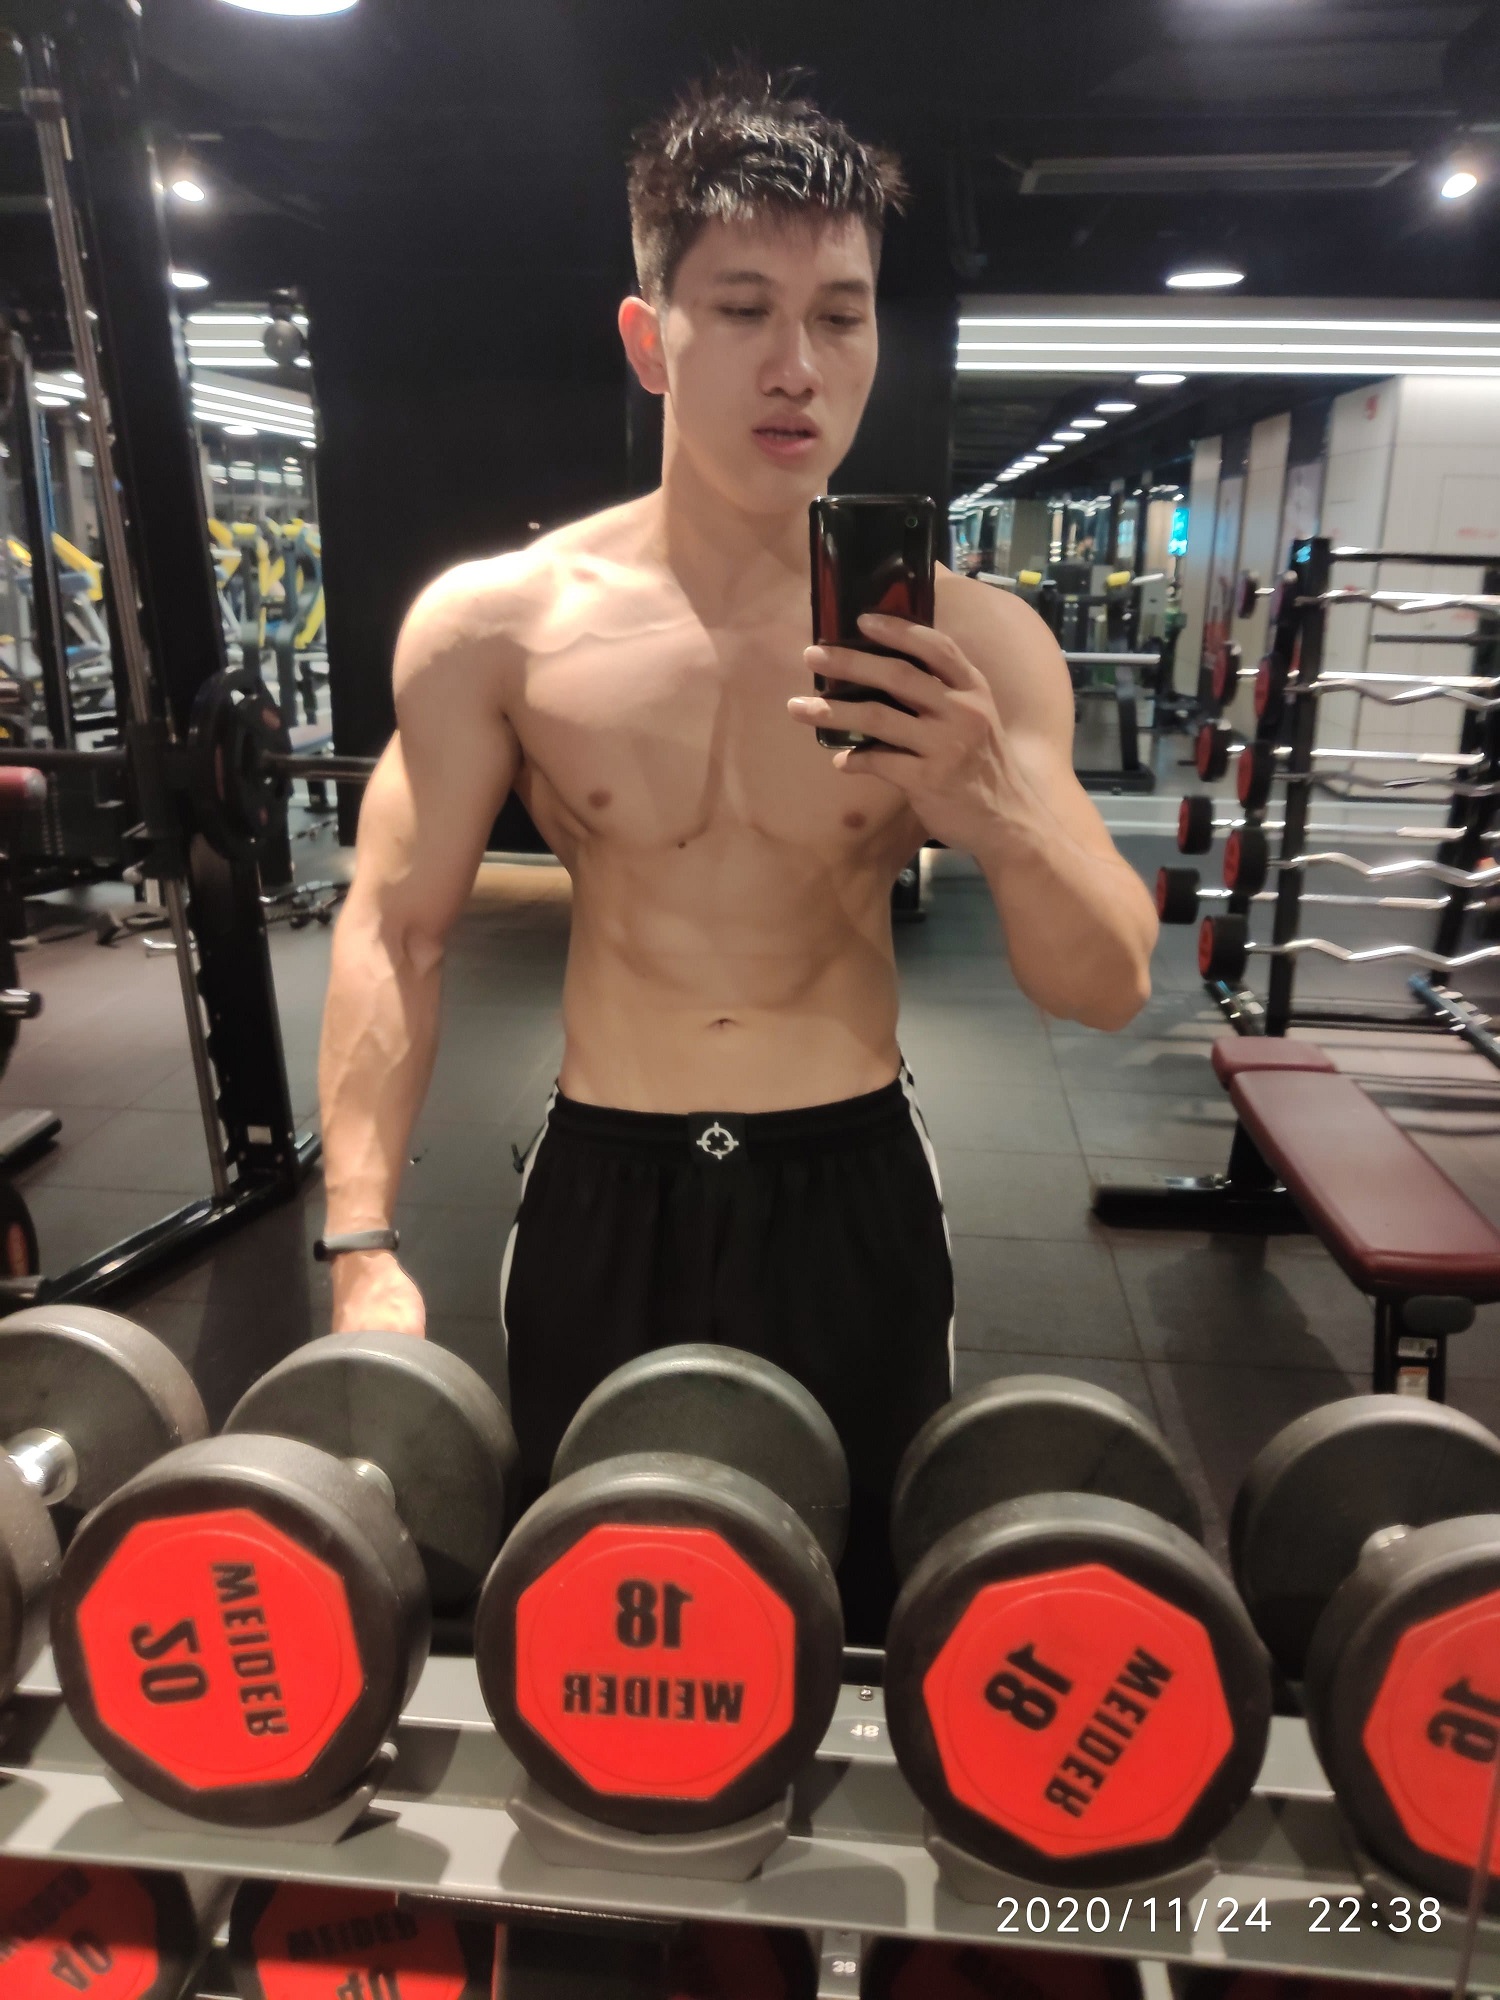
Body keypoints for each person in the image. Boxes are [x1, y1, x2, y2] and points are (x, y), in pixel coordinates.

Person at [316, 71, 1158, 1638]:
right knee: (589, 1609)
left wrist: (991, 802)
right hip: (602, 1185)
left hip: (851, 1189)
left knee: (861, 1614)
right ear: (652, 339)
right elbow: (394, 929)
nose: (798, 366)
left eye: (841, 317)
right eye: (746, 309)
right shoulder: (497, 625)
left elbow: (1108, 986)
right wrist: (361, 1240)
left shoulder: (975, 641)